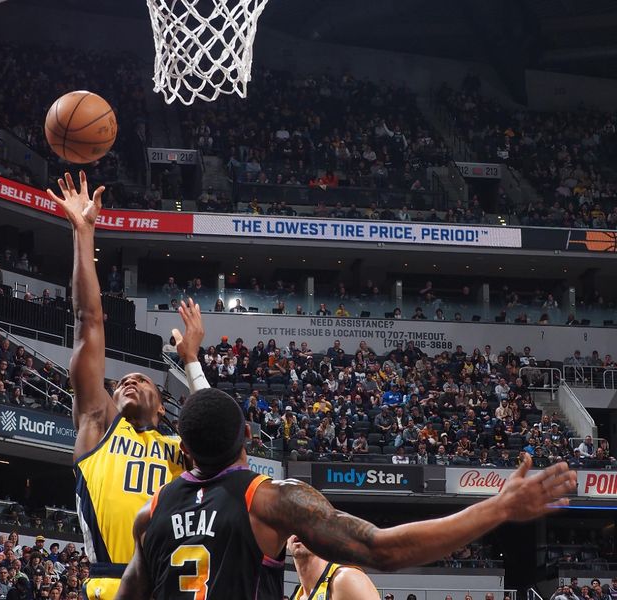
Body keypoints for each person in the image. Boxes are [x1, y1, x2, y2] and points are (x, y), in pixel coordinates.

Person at [114, 388, 577, 599]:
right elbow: (382, 549)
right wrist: (500, 506)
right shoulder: (267, 499)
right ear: (248, 435)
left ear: (186, 451)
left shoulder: (149, 514)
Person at [47, 172, 207, 600]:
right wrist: (84, 233)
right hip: (107, 582)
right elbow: (89, 321)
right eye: (121, 382)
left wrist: (191, 359)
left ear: (163, 407)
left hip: (168, 587)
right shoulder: (98, 423)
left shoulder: (180, 449)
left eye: (144, 381)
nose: (131, 380)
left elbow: (219, 432)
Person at [289, 535, 378, 599]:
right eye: (292, 524)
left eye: (306, 522)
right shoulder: (297, 596)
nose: (298, 530)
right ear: (285, 543)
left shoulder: (346, 579)